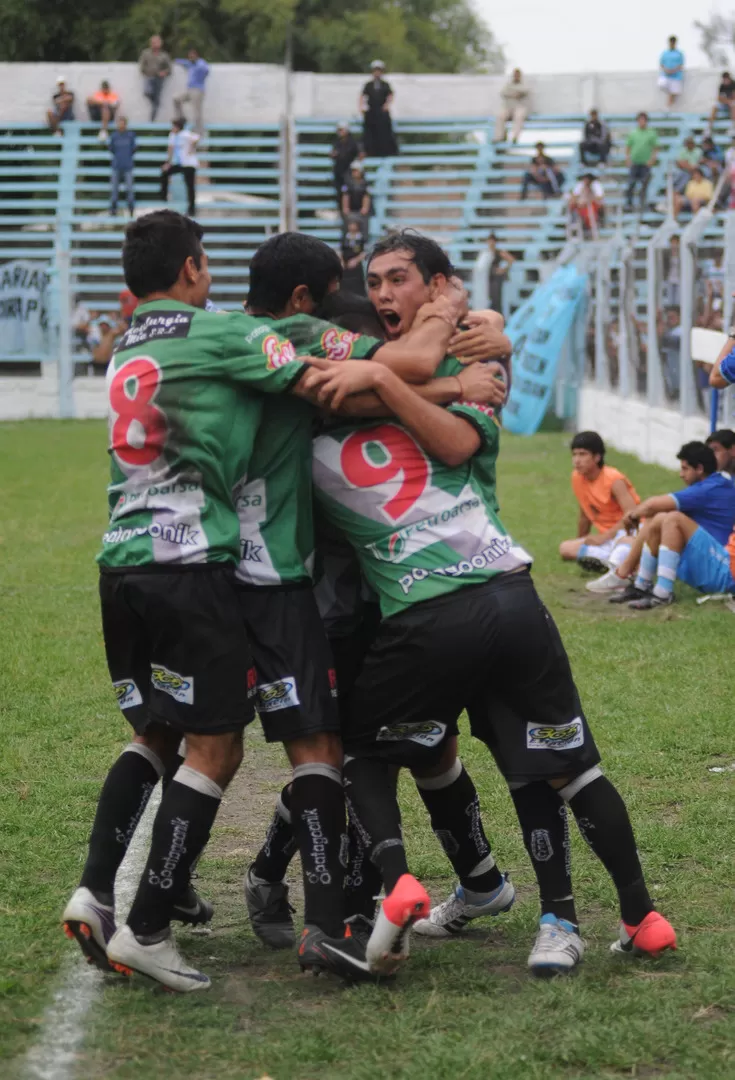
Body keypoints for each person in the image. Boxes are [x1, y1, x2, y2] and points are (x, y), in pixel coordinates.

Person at [294, 231, 676, 979]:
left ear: (436, 285)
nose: (381, 294)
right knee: (556, 769)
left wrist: (422, 370)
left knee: (364, 754)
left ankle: (422, 884)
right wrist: (441, 367)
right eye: (373, 282)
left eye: (398, 280)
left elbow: (446, 422)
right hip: (508, 599)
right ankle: (615, 916)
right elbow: (420, 380)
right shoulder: (465, 371)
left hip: (437, 612)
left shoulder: (464, 371)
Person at [59, 210, 347, 994]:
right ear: (191, 269)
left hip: (118, 567)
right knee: (215, 748)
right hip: (188, 567)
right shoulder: (218, 334)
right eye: (205, 261)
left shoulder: (129, 340)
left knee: (157, 731)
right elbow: (317, 374)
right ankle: (148, 926)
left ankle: (95, 888)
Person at [602, 443, 735, 609]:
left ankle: (660, 592)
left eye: (685, 469)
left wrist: (633, 514)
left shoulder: (713, 486)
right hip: (711, 560)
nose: (681, 475)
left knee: (672, 518)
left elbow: (653, 504)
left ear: (699, 468)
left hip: (723, 567)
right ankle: (641, 585)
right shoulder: (715, 484)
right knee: (659, 518)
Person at [558, 431, 639, 575]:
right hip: (606, 539)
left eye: (582, 454)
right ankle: (611, 560)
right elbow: (585, 513)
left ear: (597, 457)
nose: (577, 460)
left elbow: (633, 516)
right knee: (565, 548)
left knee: (624, 547)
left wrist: (604, 537)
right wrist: (581, 540)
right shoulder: (577, 477)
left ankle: (615, 559)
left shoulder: (613, 479)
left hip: (627, 533)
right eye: (574, 454)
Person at [161, 119, 200, 218]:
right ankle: (163, 196)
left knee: (190, 186)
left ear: (178, 127)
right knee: (165, 172)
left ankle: (192, 209)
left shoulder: (185, 134)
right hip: (180, 163)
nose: (172, 128)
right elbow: (170, 149)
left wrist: (191, 148)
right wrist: (168, 163)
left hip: (189, 164)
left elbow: (197, 138)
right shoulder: (173, 135)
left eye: (174, 126)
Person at [360, 61, 398, 158]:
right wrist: (362, 107)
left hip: (381, 112)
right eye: (375, 70)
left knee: (384, 133)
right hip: (371, 112)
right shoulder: (368, 85)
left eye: (379, 71)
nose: (377, 73)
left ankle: (385, 152)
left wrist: (386, 105)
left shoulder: (385, 85)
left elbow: (390, 95)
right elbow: (362, 96)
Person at [624, 113, 658, 212]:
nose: (642, 122)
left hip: (645, 164)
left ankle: (642, 205)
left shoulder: (651, 133)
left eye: (643, 120)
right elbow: (628, 146)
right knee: (631, 184)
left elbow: (655, 147)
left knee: (644, 185)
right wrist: (627, 159)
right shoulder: (633, 133)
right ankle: (629, 204)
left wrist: (652, 159)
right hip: (635, 162)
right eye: (640, 120)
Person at [174, 48, 209, 135]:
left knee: (197, 113)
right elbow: (182, 62)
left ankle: (199, 133)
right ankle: (182, 119)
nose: (191, 57)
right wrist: (176, 61)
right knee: (176, 99)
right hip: (189, 90)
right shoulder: (190, 64)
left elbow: (205, 70)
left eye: (192, 55)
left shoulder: (201, 63)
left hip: (197, 90)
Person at [139, 34, 172, 122]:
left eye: (157, 42)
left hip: (159, 79)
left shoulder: (164, 55)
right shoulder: (146, 53)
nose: (155, 44)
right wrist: (147, 72)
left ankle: (152, 120)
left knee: (156, 100)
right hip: (149, 77)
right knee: (147, 92)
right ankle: (155, 101)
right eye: (153, 42)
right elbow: (142, 66)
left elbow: (169, 69)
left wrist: (164, 72)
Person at [108, 116, 137, 217]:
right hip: (116, 165)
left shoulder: (131, 135)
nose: (120, 125)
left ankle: (131, 208)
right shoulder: (114, 135)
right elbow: (111, 149)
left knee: (129, 189)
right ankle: (113, 209)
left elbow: (133, 149)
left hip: (128, 166)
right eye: (119, 123)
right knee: (114, 189)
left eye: (122, 123)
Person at [494, 68, 530, 144]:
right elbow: (503, 93)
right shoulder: (508, 84)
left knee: (519, 117)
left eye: (518, 75)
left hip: (519, 108)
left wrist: (515, 94)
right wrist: (513, 94)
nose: (516, 76)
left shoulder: (524, 84)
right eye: (515, 75)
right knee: (500, 116)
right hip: (508, 107)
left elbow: (525, 92)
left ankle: (515, 137)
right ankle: (499, 137)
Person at [330, 122, 361, 202]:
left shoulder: (352, 143)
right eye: (339, 130)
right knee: (340, 193)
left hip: (348, 173)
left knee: (348, 193)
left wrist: (339, 154)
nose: (340, 132)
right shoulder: (337, 142)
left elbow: (353, 155)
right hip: (339, 172)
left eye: (342, 130)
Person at [486, 233, 515, 313]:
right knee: (490, 297)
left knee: (496, 298)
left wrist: (503, 269)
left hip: (496, 277)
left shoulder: (498, 252)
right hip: (489, 277)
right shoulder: (487, 253)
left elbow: (510, 259)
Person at [340, 217, 367, 293]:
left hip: (356, 266)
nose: (351, 226)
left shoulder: (362, 238)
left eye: (353, 224)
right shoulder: (344, 238)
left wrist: (355, 260)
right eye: (350, 224)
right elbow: (341, 251)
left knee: (357, 287)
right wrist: (342, 261)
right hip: (345, 265)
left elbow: (364, 252)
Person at [341, 163, 371, 228]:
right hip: (350, 210)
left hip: (361, 211)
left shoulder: (365, 183)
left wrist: (365, 208)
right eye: (353, 171)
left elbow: (366, 196)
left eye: (356, 170)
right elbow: (345, 196)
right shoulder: (347, 183)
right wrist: (345, 208)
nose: (354, 172)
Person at [658, 35, 684, 109]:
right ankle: (668, 105)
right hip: (665, 75)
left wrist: (673, 70)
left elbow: (681, 65)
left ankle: (668, 107)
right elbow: (661, 64)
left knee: (674, 92)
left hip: (676, 76)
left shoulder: (679, 53)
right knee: (662, 85)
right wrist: (667, 70)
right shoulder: (665, 53)